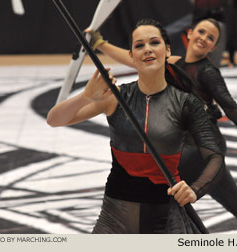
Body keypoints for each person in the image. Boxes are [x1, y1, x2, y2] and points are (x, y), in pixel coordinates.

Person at [88, 17, 237, 233]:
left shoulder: (207, 72)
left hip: (201, 151)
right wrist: (99, 44)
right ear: (189, 33)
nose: (204, 39)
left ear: (214, 47)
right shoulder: (173, 62)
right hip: (180, 148)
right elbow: (132, 58)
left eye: (211, 38)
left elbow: (230, 106)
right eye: (201, 32)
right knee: (167, 206)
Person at [47, 19, 225, 234]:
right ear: (131, 55)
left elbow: (215, 156)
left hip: (165, 216)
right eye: (139, 45)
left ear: (167, 50)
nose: (147, 49)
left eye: (154, 43)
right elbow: (54, 119)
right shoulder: (115, 97)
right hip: (114, 215)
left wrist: (195, 190)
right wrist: (85, 96)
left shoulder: (186, 102)